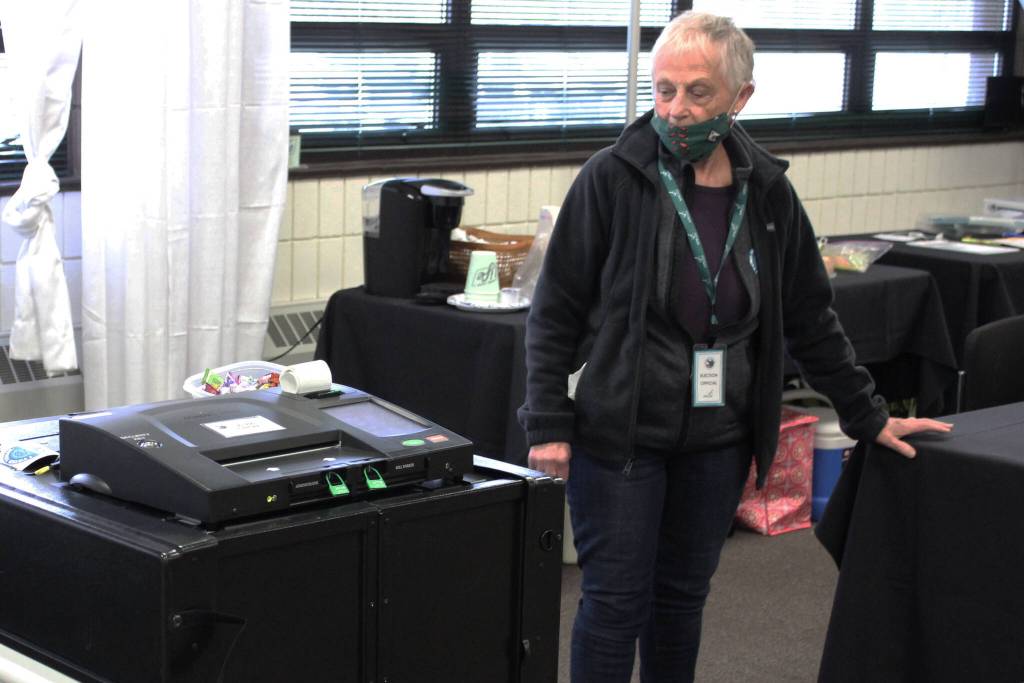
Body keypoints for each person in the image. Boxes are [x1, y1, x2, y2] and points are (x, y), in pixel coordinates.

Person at [517, 11, 952, 683]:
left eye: (698, 93)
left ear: (740, 98)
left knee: (682, 598)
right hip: (621, 436)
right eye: (664, 91)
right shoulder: (612, 178)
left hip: (720, 438)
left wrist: (867, 415)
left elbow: (812, 317)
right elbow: (555, 310)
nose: (678, 111)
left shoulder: (769, 192)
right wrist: (547, 421)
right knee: (615, 602)